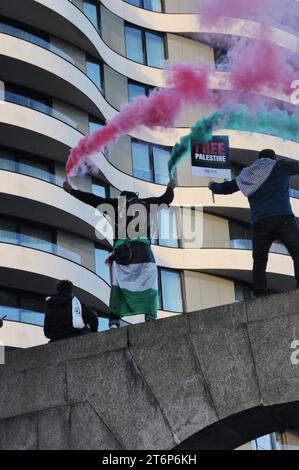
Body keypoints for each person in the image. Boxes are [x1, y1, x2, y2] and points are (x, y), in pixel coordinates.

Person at [63, 179, 175, 328]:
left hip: (122, 250)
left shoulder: (115, 205)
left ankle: (114, 321)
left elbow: (93, 199)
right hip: (143, 249)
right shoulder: (146, 203)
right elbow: (166, 199)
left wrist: (72, 190)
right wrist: (170, 187)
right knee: (149, 281)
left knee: (118, 285)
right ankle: (149, 314)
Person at [209, 149, 299, 297]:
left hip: (260, 223)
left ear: (259, 159)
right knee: (297, 251)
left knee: (259, 260)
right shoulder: (281, 166)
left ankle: (260, 291)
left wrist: (213, 186)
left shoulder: (248, 174)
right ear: (273, 158)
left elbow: (227, 188)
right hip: (283, 219)